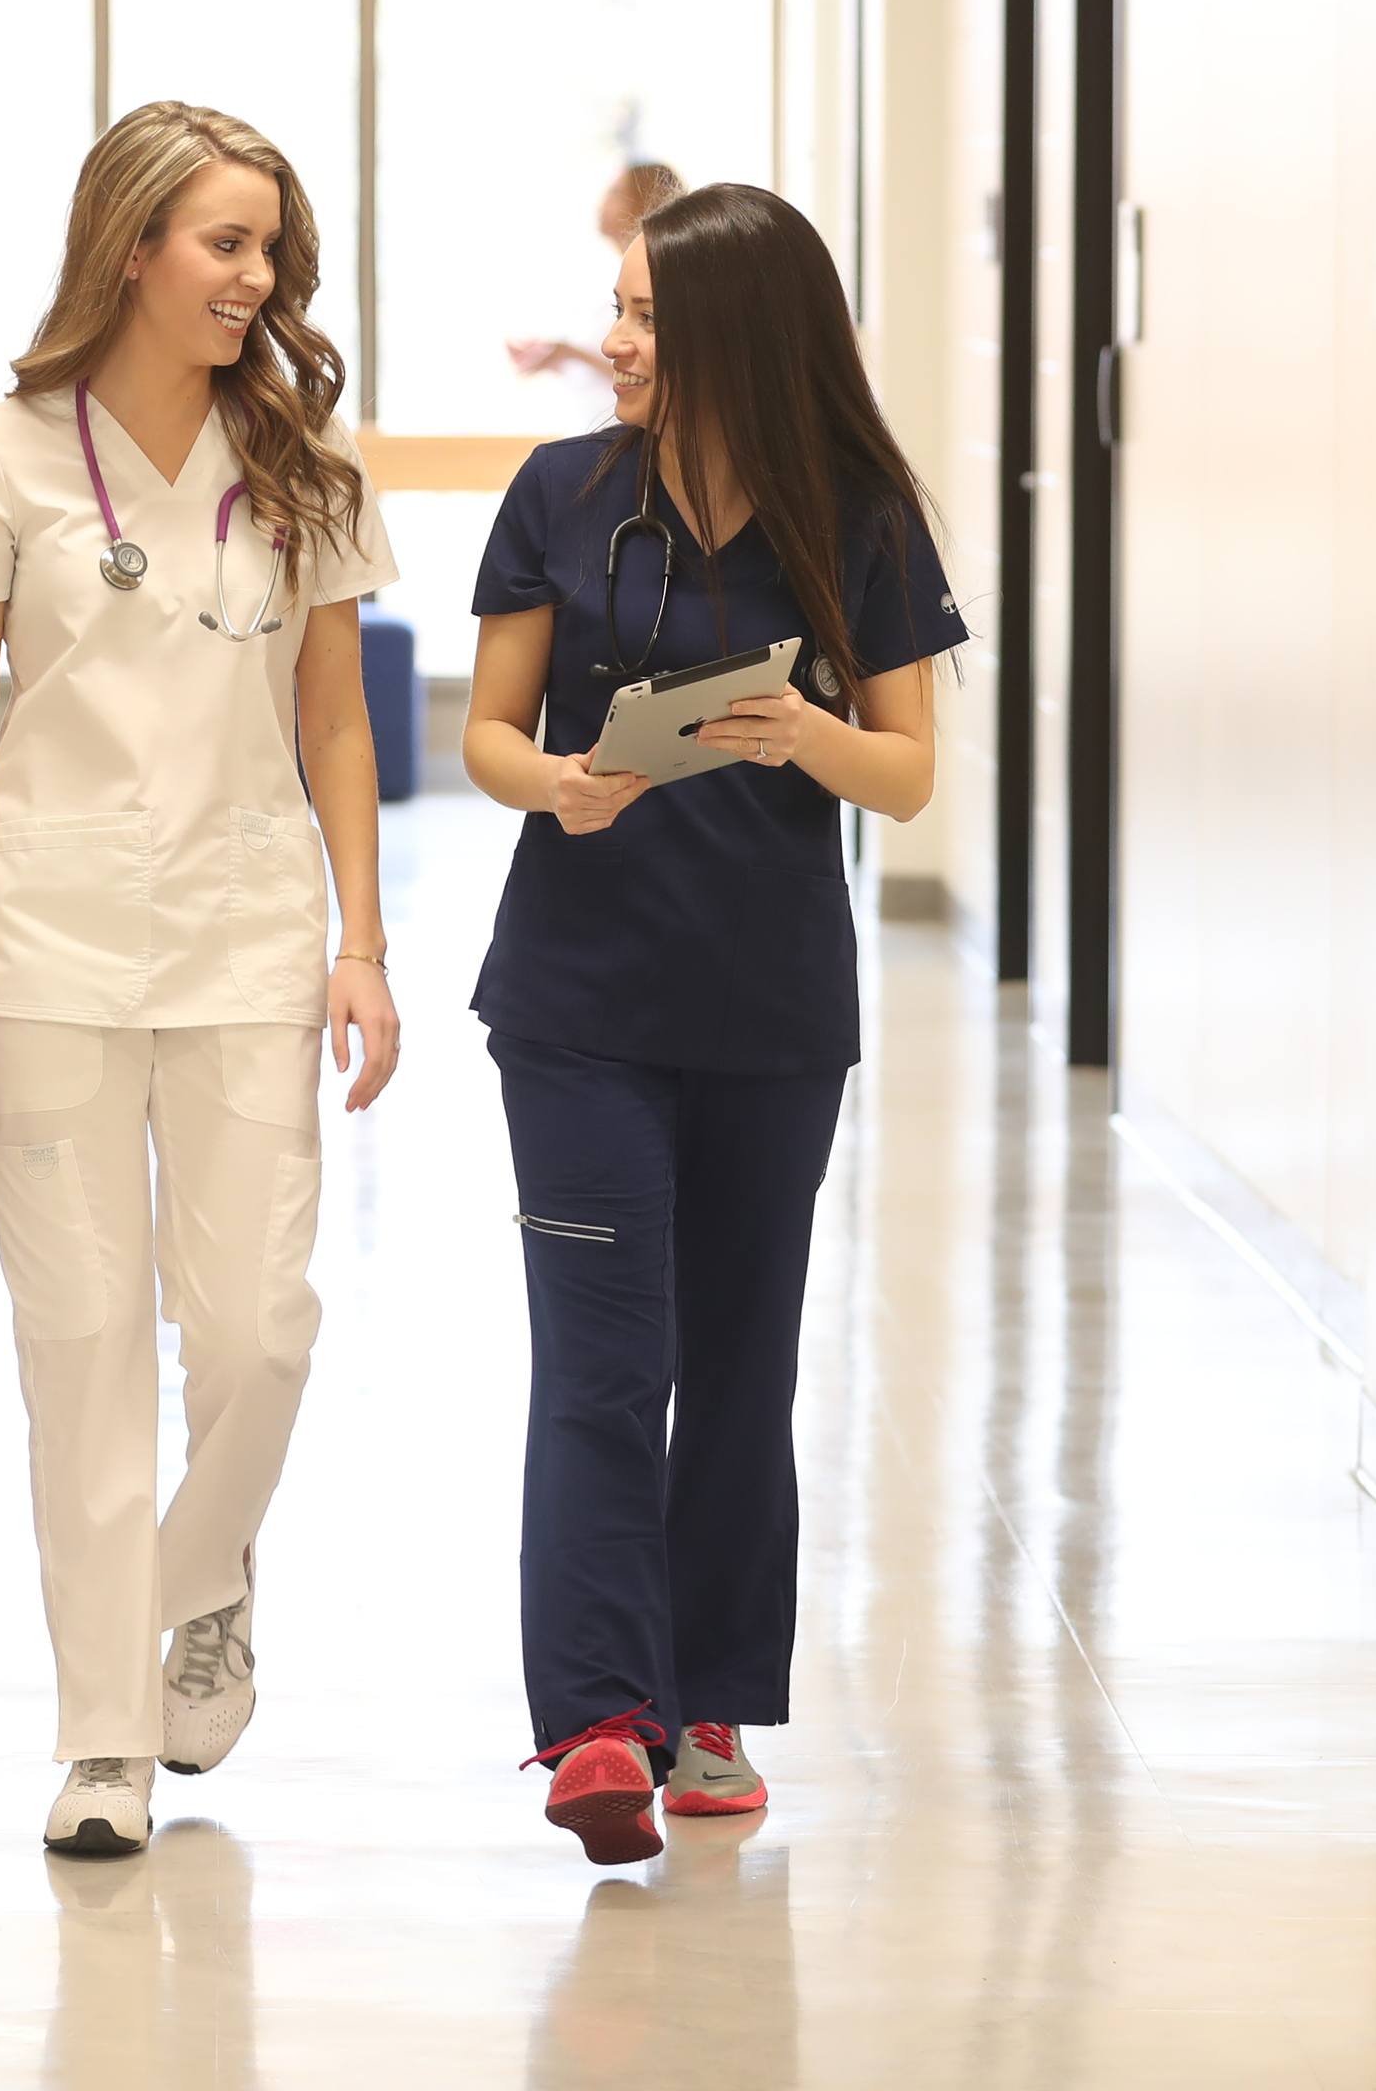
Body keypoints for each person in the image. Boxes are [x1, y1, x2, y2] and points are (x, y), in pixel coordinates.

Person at [0, 99, 403, 1858]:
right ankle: (103, 1735)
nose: (257, 277)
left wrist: (363, 943)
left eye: (269, 248)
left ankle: (204, 1576)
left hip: (252, 941)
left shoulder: (306, 467)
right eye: (226, 242)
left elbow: (335, 718)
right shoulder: (3, 452)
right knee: (80, 1348)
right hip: (49, 948)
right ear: (131, 250)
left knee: (258, 1331)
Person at [462, 181, 964, 1866]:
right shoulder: (559, 496)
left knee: (739, 1371)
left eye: (649, 317)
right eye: (616, 305)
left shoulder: (863, 519)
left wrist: (798, 731)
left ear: (740, 337)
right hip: (578, 1002)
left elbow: (904, 774)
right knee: (606, 1367)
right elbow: (486, 731)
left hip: (768, 1013)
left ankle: (711, 1701)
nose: (615, 339)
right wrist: (559, 789)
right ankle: (599, 1721)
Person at [505, 160, 685, 382]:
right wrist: (553, 353)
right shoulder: (610, 279)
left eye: (615, 192)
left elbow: (660, 376)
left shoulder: (659, 280)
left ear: (643, 200)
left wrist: (571, 353)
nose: (602, 202)